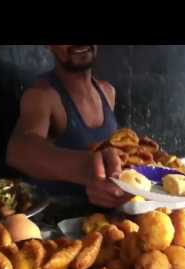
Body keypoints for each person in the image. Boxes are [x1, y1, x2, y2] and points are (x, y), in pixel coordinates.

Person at [7, 45, 130, 209]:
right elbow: (19, 150)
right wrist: (88, 167)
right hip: (59, 224)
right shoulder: (42, 95)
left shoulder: (108, 92)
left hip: (104, 223)